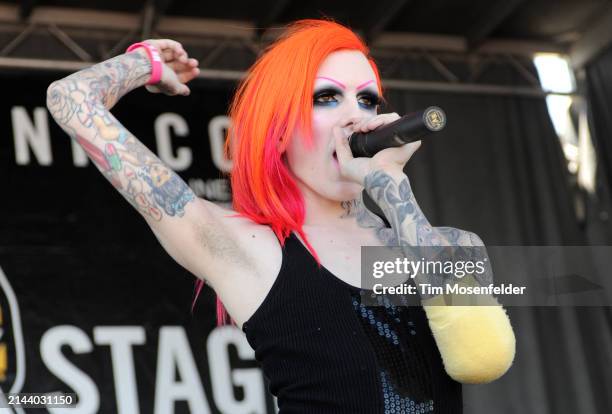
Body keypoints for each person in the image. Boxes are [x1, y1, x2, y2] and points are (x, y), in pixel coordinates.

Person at [47, 19, 515, 414]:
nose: (355, 116)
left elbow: (481, 358)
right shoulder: (248, 249)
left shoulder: (451, 245)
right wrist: (143, 63)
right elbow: (70, 99)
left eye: (368, 100)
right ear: (278, 130)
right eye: (327, 98)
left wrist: (392, 192)